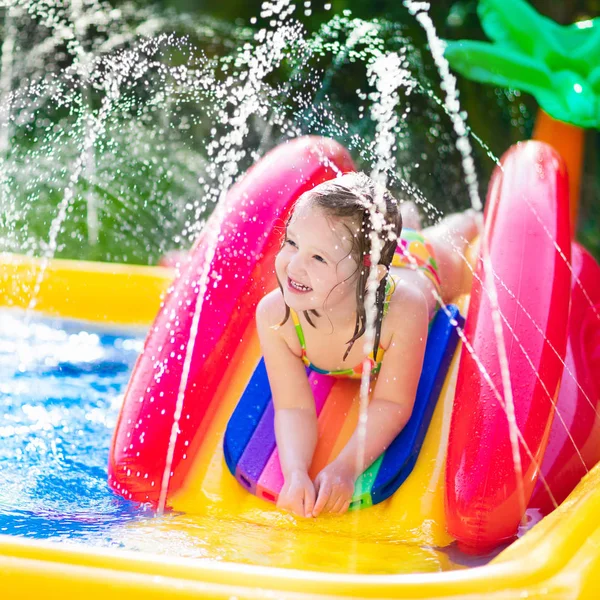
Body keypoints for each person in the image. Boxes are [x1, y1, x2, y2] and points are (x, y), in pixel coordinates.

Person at [255, 172, 480, 518]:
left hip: (416, 266)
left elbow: (391, 404)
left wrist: (347, 468)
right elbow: (293, 407)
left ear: (370, 273)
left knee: (448, 245)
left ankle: (464, 220)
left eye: (318, 258)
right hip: (369, 259)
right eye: (292, 243)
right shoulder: (277, 315)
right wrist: (296, 471)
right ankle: (406, 219)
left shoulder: (402, 312)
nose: (294, 265)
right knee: (389, 234)